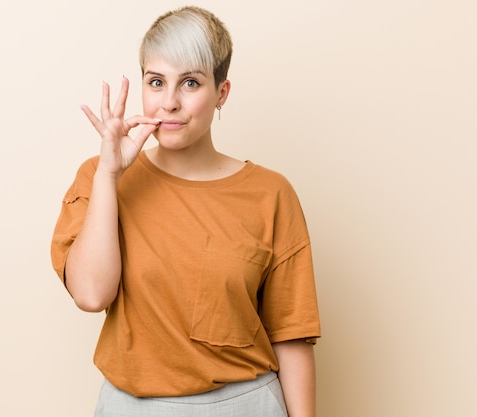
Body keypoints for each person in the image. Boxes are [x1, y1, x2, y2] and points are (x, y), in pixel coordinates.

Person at [51, 6, 321, 417]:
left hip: (246, 404)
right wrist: (109, 174)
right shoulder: (100, 177)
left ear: (221, 93)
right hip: (131, 407)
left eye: (191, 82)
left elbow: (290, 333)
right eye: (156, 82)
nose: (169, 103)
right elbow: (91, 295)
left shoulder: (270, 194)